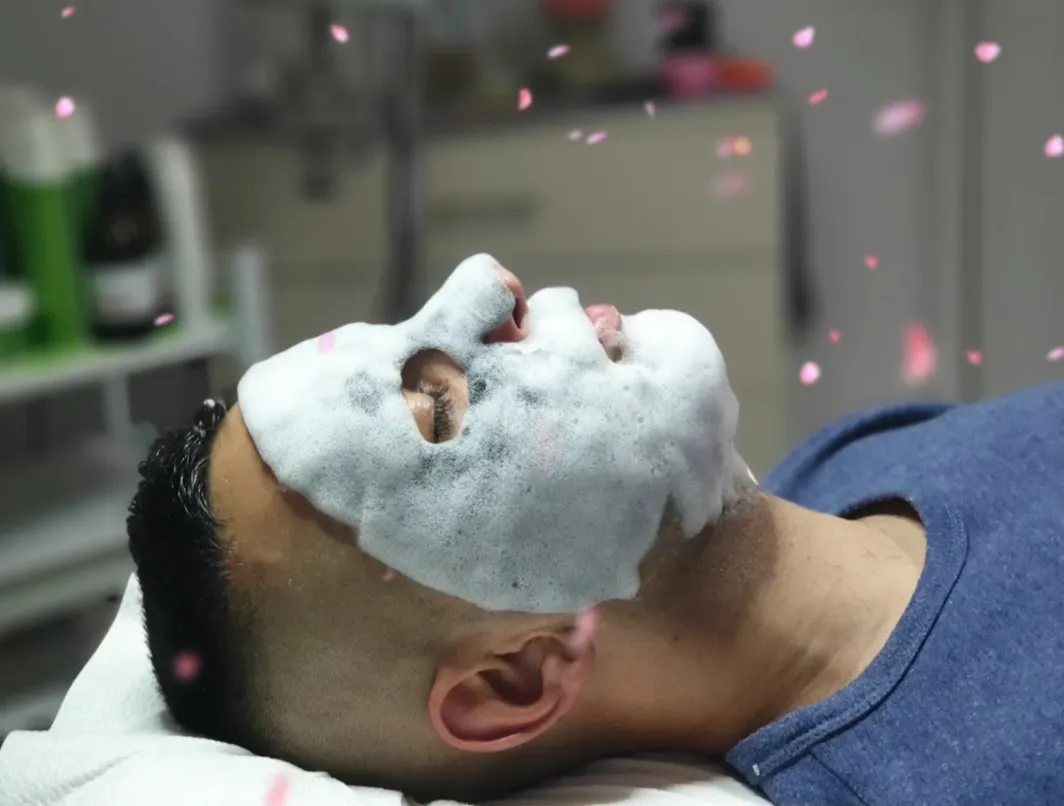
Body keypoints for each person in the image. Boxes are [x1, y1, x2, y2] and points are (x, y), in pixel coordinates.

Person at [127, 258, 1064, 806]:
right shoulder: (972, 776)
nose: (489, 283)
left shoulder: (845, 466)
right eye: (438, 408)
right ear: (517, 679)